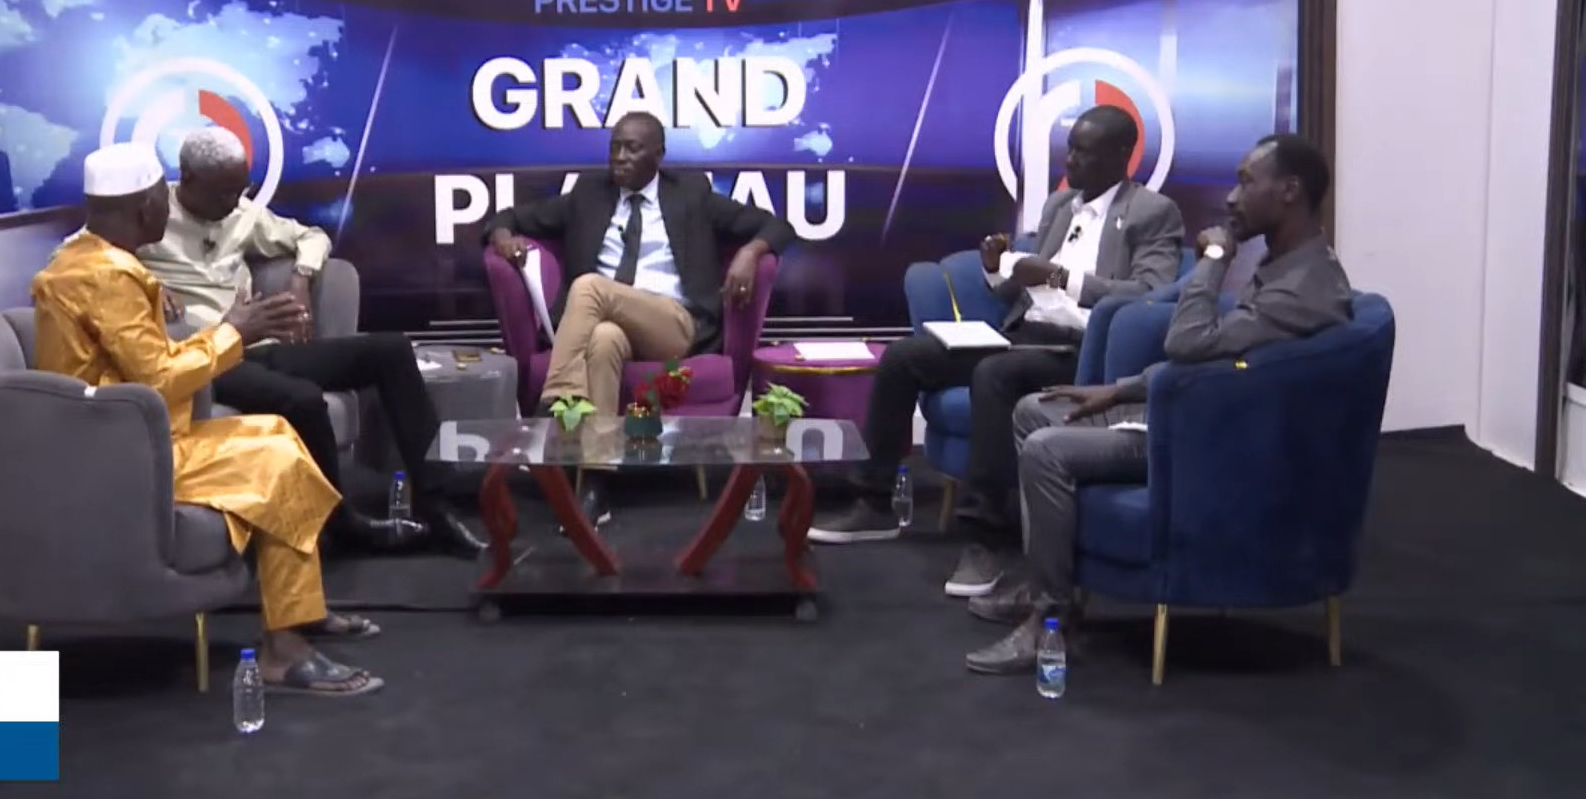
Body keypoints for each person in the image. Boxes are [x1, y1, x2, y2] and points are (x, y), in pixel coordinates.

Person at [964, 133, 1352, 675]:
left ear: (1289, 191)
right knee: (1035, 410)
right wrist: (1121, 390)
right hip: (1199, 414)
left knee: (1047, 450)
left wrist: (1214, 260)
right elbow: (1223, 357)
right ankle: (1045, 583)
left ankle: (1052, 623)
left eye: (1246, 183)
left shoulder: (1303, 288)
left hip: (1215, 441)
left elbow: (1188, 343)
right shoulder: (1288, 266)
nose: (1232, 198)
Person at [32, 142, 383, 697]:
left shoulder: (92, 260)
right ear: (144, 208)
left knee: (279, 434)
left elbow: (146, 364)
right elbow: (157, 379)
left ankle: (298, 612)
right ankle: (285, 649)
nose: (167, 206)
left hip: (135, 436)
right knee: (276, 462)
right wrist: (234, 332)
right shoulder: (105, 276)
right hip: (119, 452)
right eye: (160, 198)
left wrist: (227, 331)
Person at [810, 105, 1184, 576]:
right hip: (1023, 335)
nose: (1070, 160)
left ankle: (988, 538)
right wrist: (995, 268)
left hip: (1081, 350)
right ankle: (874, 501)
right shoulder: (1059, 206)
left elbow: (1150, 291)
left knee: (994, 375)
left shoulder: (1152, 212)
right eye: (1069, 148)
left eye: (1083, 152)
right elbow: (1022, 289)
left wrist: (1059, 276)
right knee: (904, 357)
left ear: (1122, 154)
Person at [137, 128, 486, 558]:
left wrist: (300, 279)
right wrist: (146, 284)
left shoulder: (241, 214)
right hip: (205, 360)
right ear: (188, 179)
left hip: (258, 344)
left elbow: (313, 236)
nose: (234, 200)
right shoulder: (150, 216)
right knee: (301, 398)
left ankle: (437, 506)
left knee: (391, 350)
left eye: (240, 188)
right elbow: (86, 255)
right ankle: (340, 522)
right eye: (224, 191)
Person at [485, 111, 796, 526]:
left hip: (672, 323)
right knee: (603, 340)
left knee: (588, 286)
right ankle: (596, 481)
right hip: (607, 323)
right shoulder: (589, 194)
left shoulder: (691, 195)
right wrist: (503, 237)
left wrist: (749, 253)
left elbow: (777, 226)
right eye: (615, 147)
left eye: (632, 148)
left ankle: (551, 404)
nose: (620, 157)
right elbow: (508, 218)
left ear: (658, 155)